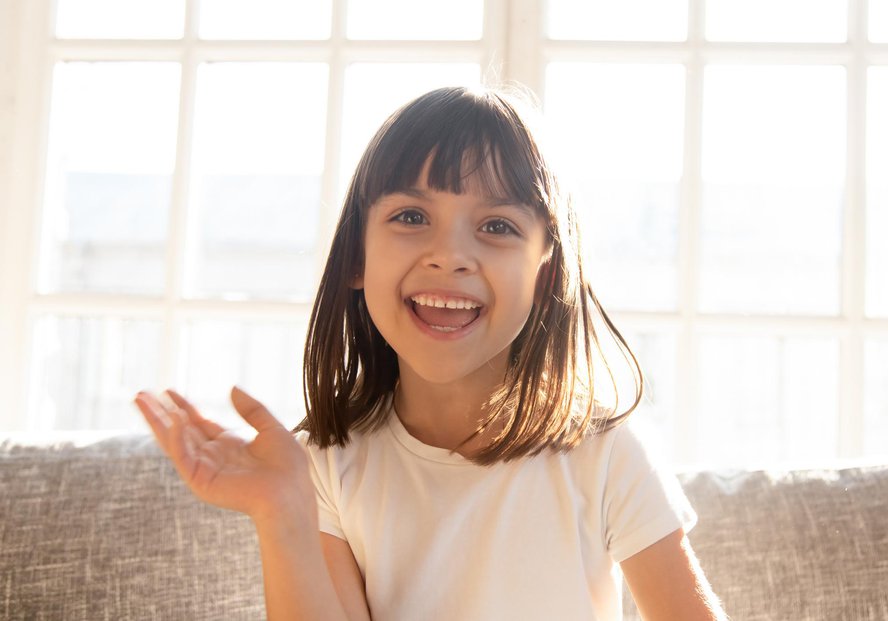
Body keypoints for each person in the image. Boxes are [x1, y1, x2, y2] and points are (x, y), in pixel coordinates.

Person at [134, 85, 726, 620]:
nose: (449, 255)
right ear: (356, 259)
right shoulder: (326, 465)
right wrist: (280, 515)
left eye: (497, 226)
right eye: (411, 216)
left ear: (546, 274)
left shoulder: (606, 456)